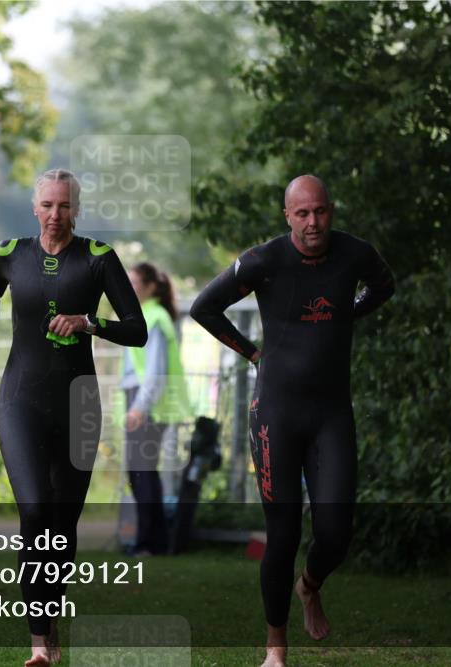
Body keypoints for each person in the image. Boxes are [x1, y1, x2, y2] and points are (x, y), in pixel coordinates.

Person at [190, 175, 395, 667]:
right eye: (301, 214)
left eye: (320, 212)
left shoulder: (354, 254)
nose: (312, 222)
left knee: (336, 531)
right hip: (275, 416)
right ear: (287, 216)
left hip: (330, 415)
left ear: (332, 211)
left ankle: (311, 585)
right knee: (281, 534)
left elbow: (385, 286)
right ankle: (275, 647)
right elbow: (203, 307)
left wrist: (347, 314)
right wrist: (253, 353)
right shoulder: (265, 261)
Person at [0, 169, 147, 666]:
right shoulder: (8, 254)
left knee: (62, 523)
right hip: (20, 400)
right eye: (48, 205)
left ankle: (51, 620)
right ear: (34, 207)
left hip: (79, 403)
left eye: (65, 206)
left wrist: (89, 322)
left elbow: (137, 330)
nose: (56, 214)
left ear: (76, 209)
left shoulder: (98, 259)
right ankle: (39, 644)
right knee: (34, 512)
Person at [121, 262, 192, 556]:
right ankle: (156, 542)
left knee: (142, 474)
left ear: (151, 286)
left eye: (135, 282)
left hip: (149, 404)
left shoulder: (153, 318)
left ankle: (147, 543)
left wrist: (139, 407)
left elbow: (155, 371)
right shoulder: (144, 315)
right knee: (142, 473)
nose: (130, 288)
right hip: (145, 402)